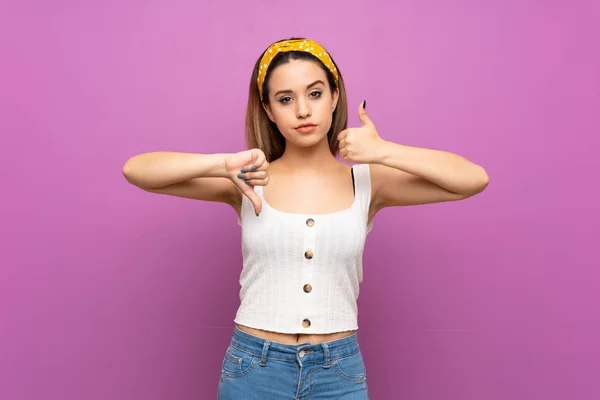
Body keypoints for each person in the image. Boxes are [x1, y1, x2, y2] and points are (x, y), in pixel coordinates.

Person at [122, 37, 489, 399]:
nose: (302, 110)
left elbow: (473, 179)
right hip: (254, 369)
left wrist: (385, 152)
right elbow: (137, 170)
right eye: (285, 99)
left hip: (339, 372)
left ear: (334, 97)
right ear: (268, 110)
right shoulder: (247, 178)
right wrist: (220, 164)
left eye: (314, 94)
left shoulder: (366, 181)